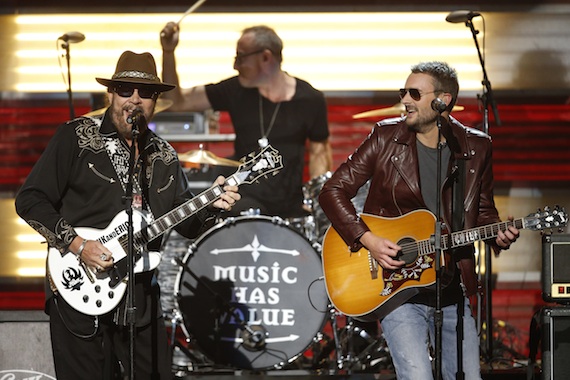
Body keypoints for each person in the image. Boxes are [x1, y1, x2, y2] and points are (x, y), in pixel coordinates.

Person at [15, 50, 240, 380]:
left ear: (155, 101)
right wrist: (78, 245)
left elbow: (187, 223)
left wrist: (212, 207)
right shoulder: (76, 137)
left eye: (145, 93)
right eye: (125, 90)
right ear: (111, 94)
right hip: (78, 287)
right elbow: (31, 200)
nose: (134, 100)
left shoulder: (163, 156)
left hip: (139, 297)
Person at [318, 61, 520, 380]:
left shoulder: (476, 148)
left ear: (444, 101)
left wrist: (499, 235)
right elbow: (332, 191)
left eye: (414, 93)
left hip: (451, 288)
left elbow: (482, 212)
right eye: (404, 92)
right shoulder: (386, 137)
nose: (405, 100)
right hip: (396, 288)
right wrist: (367, 239)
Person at [160, 23, 332, 219]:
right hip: (243, 202)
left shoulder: (310, 99)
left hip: (290, 208)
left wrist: (318, 202)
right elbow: (176, 103)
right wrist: (168, 52)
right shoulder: (235, 90)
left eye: (240, 57)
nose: (235, 65)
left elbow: (320, 155)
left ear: (266, 57)